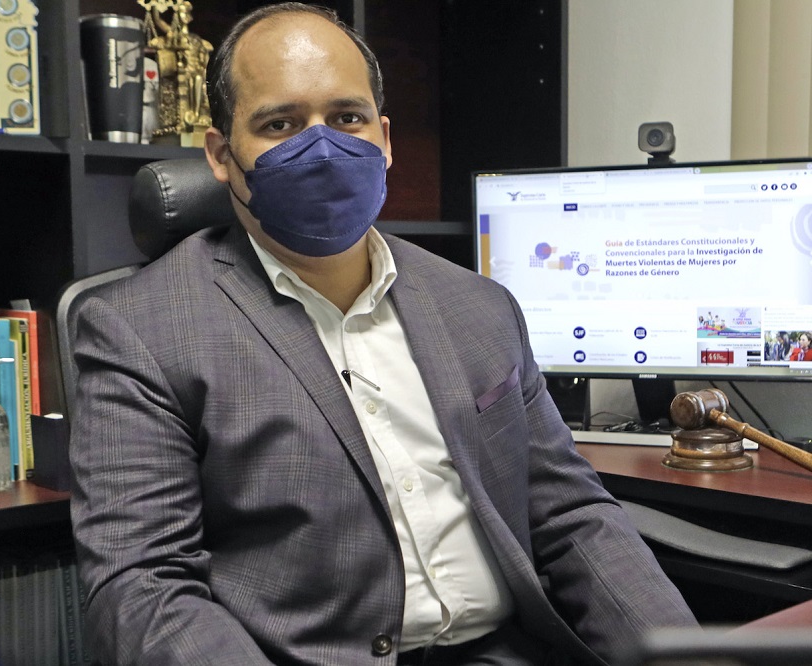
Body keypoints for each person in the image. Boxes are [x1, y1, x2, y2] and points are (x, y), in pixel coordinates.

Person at [69, 4, 697, 665]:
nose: (322, 148)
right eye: (280, 124)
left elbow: (571, 515)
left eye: (347, 118)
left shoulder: (480, 307)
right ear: (222, 155)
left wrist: (685, 657)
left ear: (385, 139)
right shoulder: (140, 330)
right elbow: (143, 584)